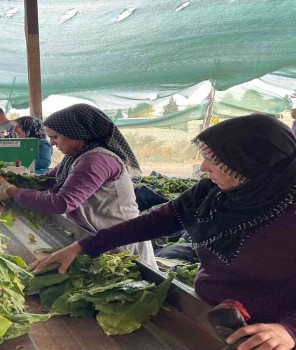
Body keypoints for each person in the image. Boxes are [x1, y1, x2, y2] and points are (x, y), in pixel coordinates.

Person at [31, 114, 296, 350]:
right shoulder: (215, 192)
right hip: (210, 312)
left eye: (216, 160)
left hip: (267, 335)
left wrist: (288, 329)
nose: (204, 167)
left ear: (252, 164)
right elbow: (160, 220)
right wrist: (85, 246)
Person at [0, 104, 156, 266]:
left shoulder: (96, 160)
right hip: (97, 237)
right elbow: (47, 180)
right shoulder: (76, 156)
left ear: (77, 133)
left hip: (119, 243)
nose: (53, 143)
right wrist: (13, 180)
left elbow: (62, 203)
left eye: (55, 137)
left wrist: (12, 190)